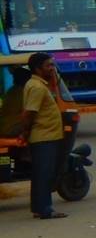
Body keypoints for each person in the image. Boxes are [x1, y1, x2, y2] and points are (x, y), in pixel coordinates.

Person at [15, 53, 67, 219]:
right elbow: (29, 113)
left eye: (52, 65)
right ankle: (45, 209)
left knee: (41, 174)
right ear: (38, 69)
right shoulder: (37, 87)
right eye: (48, 66)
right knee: (44, 174)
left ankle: (39, 208)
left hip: (46, 135)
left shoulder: (39, 84)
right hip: (44, 137)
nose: (52, 69)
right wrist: (24, 133)